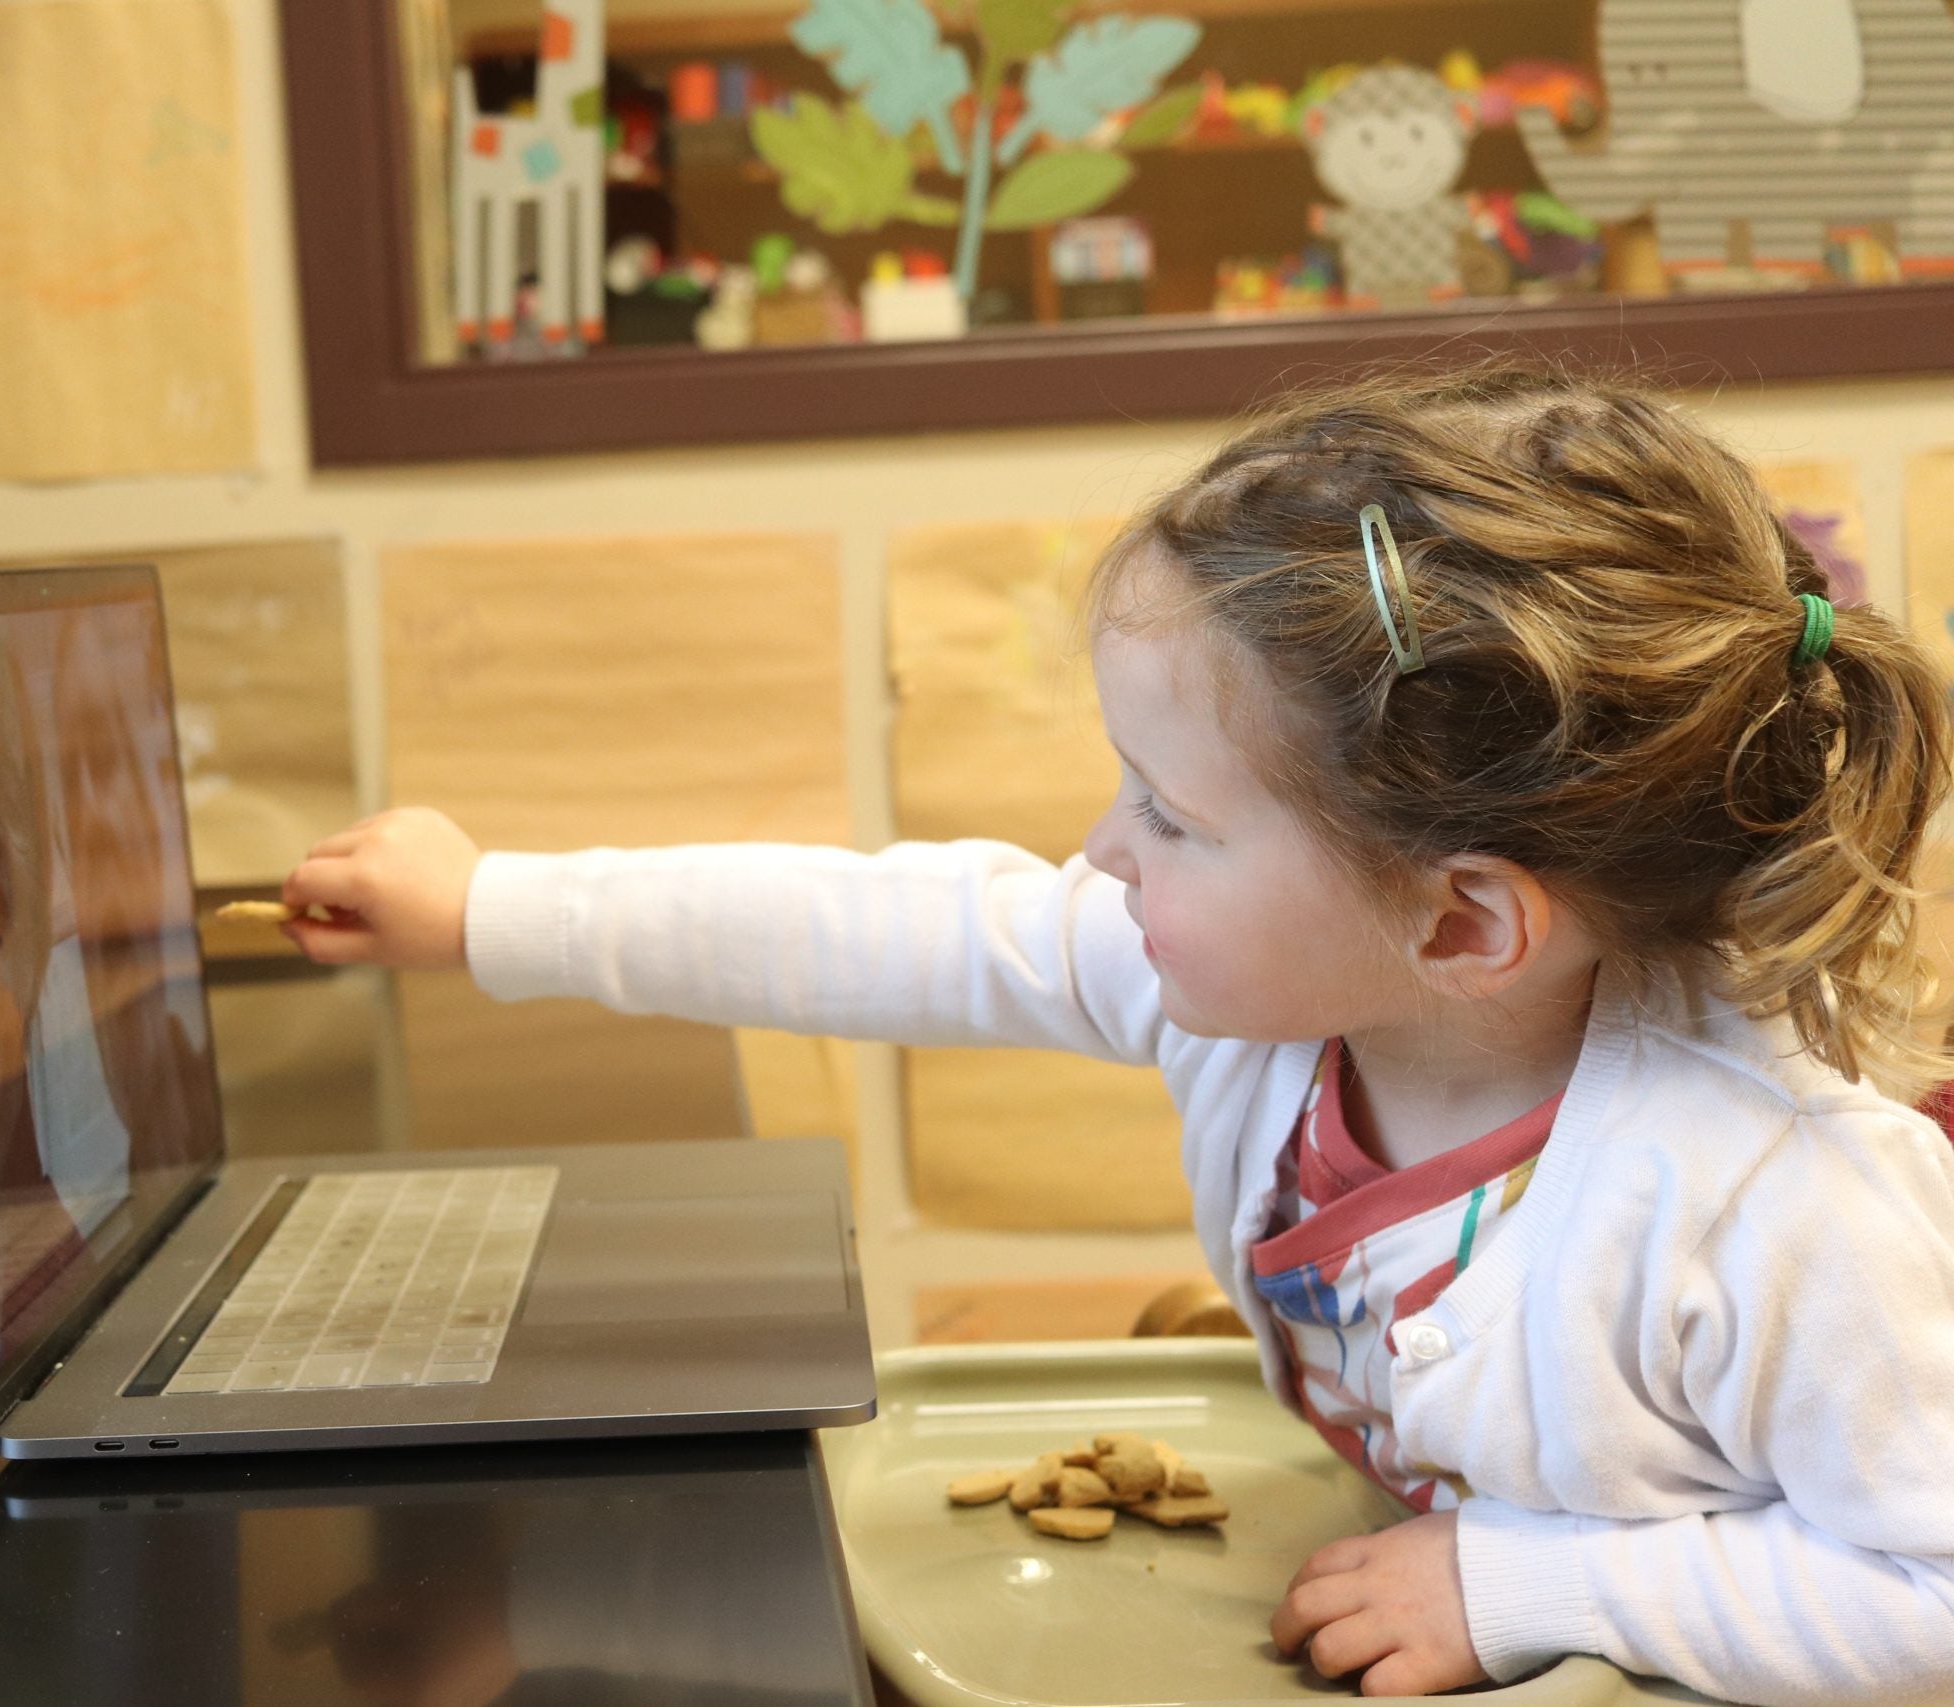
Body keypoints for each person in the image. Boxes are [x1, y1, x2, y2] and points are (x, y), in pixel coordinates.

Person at [274, 364, 1954, 1704]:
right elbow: (885, 926)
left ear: (1460, 922)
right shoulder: (1264, 999)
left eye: (1171, 815)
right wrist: (490, 910)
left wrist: (1533, 1583)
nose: (1099, 851)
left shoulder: (1778, 1204)